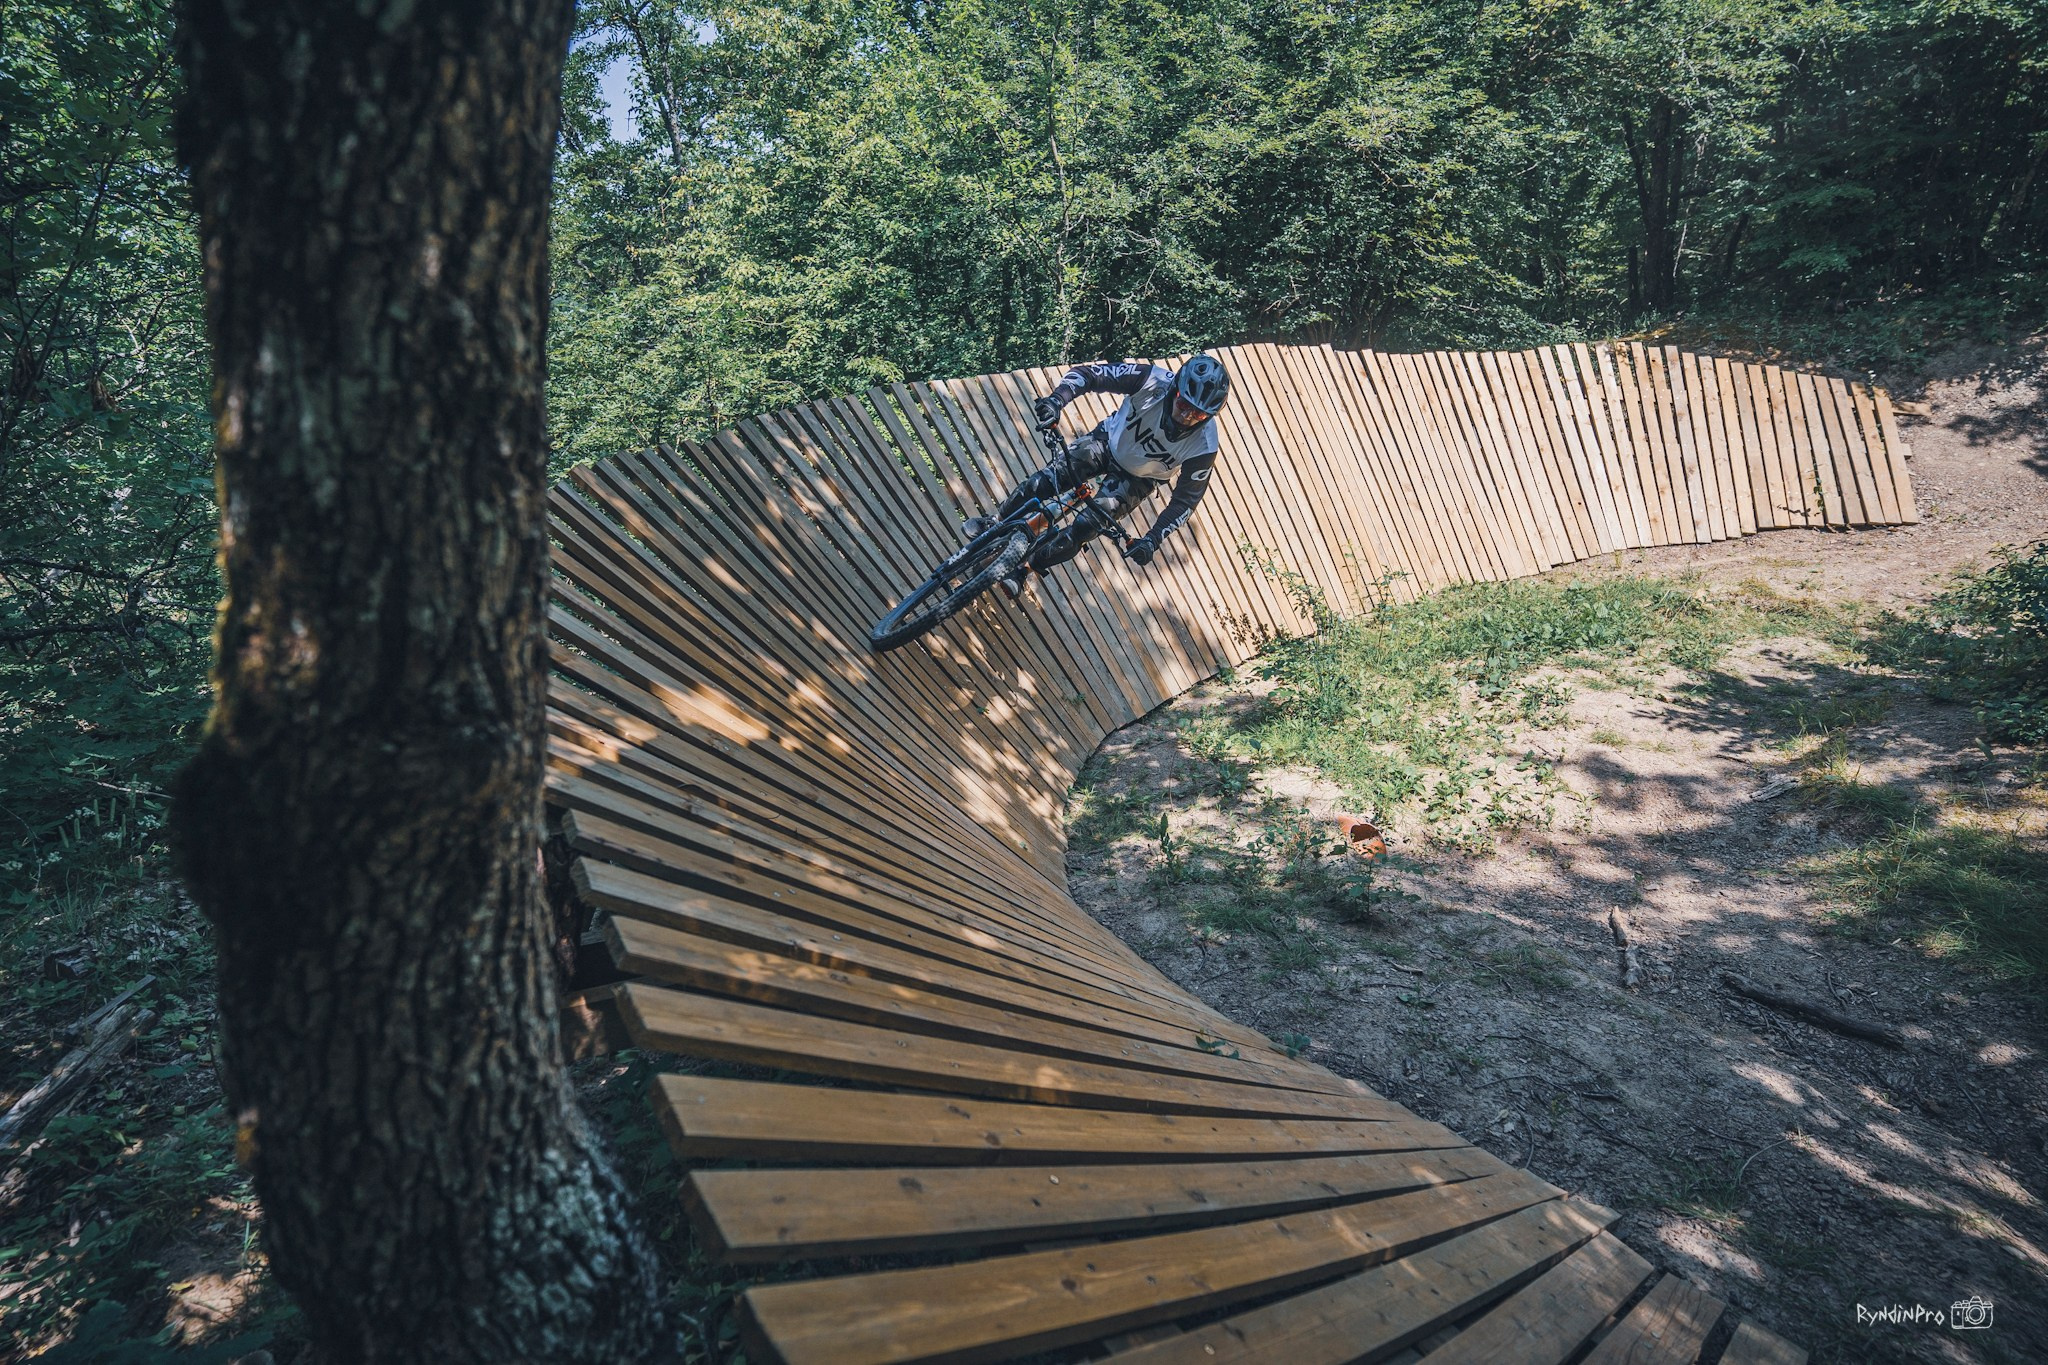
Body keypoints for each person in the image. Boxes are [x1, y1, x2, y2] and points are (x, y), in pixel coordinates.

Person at [962, 354, 1231, 598]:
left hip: (1140, 478)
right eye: (1184, 404)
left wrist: (1153, 539)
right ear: (1175, 389)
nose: (1186, 416)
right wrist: (1057, 400)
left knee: (1087, 527)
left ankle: (1024, 570)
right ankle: (995, 522)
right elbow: (1089, 374)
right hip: (1107, 442)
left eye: (1198, 414)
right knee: (1046, 481)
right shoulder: (1152, 380)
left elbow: (1185, 502)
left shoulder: (1204, 445)